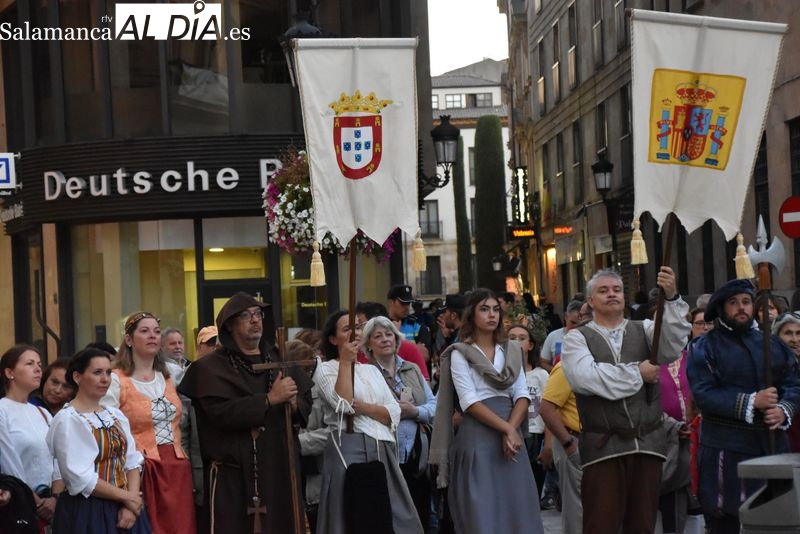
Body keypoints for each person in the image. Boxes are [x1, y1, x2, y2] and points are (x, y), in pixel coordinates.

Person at [561, 267, 690, 534]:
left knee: (642, 525)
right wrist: (637, 373)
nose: (612, 295)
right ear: (591, 301)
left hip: (647, 445)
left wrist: (672, 296)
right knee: (601, 525)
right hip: (603, 447)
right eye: (603, 290)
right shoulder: (576, 338)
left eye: (617, 290)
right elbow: (585, 378)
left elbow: (674, 342)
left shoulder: (644, 329)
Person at [178, 292, 313, 534]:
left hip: (279, 468)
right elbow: (220, 414)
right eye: (246, 315)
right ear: (229, 324)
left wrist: (293, 403)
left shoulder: (281, 358)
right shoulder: (210, 368)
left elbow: (304, 405)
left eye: (258, 314)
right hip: (234, 476)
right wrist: (269, 400)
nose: (255, 320)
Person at [688, 280, 800, 533]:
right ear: (721, 308)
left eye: (746, 302)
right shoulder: (704, 347)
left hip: (772, 447)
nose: (741, 308)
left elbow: (793, 383)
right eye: (733, 303)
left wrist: (784, 409)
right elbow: (704, 394)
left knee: (776, 519)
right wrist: (751, 401)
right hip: (726, 451)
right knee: (727, 520)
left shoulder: (773, 345)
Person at [430, 288, 544, 534]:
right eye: (484, 309)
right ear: (471, 315)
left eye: (495, 309)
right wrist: (507, 430)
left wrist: (510, 430)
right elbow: (469, 401)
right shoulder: (460, 353)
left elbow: (522, 394)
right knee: (482, 511)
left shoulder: (511, 350)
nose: (491, 315)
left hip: (510, 430)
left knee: (517, 509)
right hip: (477, 435)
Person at [313, 310, 422, 534]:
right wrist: (344, 363)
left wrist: (365, 408)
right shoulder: (324, 369)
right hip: (347, 448)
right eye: (346, 329)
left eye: (358, 327)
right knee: (351, 518)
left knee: (397, 519)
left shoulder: (372, 370)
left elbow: (393, 411)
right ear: (333, 339)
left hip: (382, 448)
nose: (355, 333)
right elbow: (342, 404)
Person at [103, 311, 195, 534]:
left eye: (156, 331)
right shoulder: (116, 380)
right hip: (141, 471)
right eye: (144, 331)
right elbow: (107, 432)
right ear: (128, 340)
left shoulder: (171, 374)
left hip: (176, 468)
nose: (152, 336)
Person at [47, 347, 151, 533]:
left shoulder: (115, 414)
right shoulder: (68, 419)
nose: (105, 379)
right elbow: (80, 477)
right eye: (97, 372)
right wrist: (128, 498)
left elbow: (132, 460)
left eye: (108, 372)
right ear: (77, 377)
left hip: (125, 508)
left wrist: (130, 503)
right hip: (88, 510)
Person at [363, 316, 436, 529]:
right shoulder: (365, 374)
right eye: (378, 336)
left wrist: (415, 411)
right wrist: (392, 412)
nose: (385, 339)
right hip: (384, 455)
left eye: (389, 335)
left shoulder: (412, 369)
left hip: (416, 456)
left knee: (420, 514)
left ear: (397, 339)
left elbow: (433, 406)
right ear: (369, 344)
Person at [0, 345, 63, 526]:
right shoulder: (2, 409)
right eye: (29, 364)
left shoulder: (41, 412)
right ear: (9, 372)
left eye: (39, 364)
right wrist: (35, 501)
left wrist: (55, 498)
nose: (37, 369)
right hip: (20, 505)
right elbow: (10, 462)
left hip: (53, 505)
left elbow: (59, 456)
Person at [659, 307, 708, 534]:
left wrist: (697, 422)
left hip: (699, 438)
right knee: (672, 506)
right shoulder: (650, 365)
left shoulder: (695, 360)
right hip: (668, 445)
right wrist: (674, 427)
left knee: (698, 508)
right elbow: (646, 406)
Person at [508, 323, 548, 497]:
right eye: (511, 338)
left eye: (522, 338)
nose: (517, 342)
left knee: (533, 485)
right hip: (512, 433)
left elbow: (548, 409)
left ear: (530, 345)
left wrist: (548, 441)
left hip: (535, 432)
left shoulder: (541, 375)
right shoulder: (504, 375)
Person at [355, 301, 430, 381]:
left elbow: (425, 388)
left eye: (359, 326)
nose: (356, 332)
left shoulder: (409, 349)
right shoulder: (357, 353)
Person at [387, 285, 432, 363]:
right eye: (403, 303)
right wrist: (414, 349)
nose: (407, 307)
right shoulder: (381, 325)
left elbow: (423, 356)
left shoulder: (417, 326)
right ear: (391, 302)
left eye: (408, 303)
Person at [539, 300, 583, 372]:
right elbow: (543, 362)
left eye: (580, 324)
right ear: (566, 316)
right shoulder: (553, 336)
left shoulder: (589, 337)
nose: (575, 327)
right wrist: (556, 372)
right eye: (573, 323)